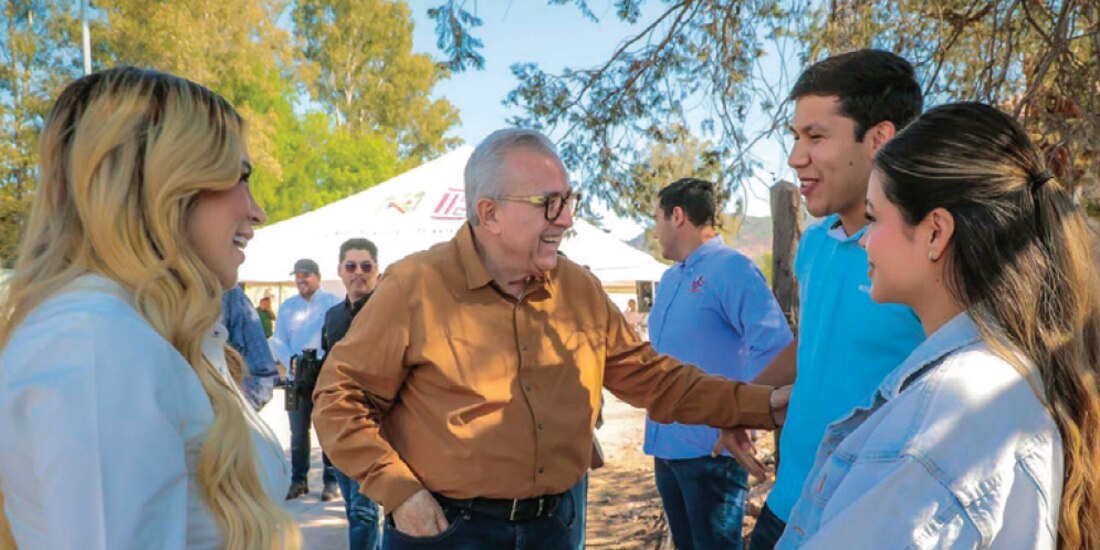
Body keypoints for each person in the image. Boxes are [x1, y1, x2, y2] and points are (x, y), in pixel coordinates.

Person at [312, 128, 791, 550]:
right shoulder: (415, 285)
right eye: (549, 204)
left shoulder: (579, 287)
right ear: (489, 213)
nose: (565, 219)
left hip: (554, 527)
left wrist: (760, 404)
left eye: (569, 201)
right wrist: (398, 491)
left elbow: (653, 379)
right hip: (446, 531)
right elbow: (338, 399)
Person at [777, 101, 1100, 547]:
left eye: (874, 217)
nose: (866, 239)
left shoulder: (948, 413)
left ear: (934, 233)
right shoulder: (998, 376)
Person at [0, 67, 298, 549]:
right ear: (165, 184)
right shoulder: (96, 343)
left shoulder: (132, 330)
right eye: (238, 177)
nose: (256, 210)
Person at [725, 50, 928, 550]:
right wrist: (736, 405)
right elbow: (814, 343)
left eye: (815, 137)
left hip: (864, 521)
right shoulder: (815, 244)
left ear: (880, 139)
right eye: (795, 138)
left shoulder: (932, 257)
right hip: (784, 506)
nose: (796, 157)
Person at [646, 178, 793, 549]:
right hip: (667, 447)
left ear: (677, 216)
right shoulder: (668, 279)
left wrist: (744, 416)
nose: (654, 230)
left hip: (712, 449)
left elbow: (774, 344)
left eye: (657, 219)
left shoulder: (732, 269)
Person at [319, 238, 384, 549]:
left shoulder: (389, 312)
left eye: (366, 266)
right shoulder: (332, 316)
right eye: (351, 266)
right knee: (354, 509)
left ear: (377, 271)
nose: (359, 272)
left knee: (364, 512)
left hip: (374, 426)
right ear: (340, 271)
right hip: (338, 426)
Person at [271, 257, 342, 500]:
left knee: (327, 431)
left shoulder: (333, 303)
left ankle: (330, 482)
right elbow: (278, 338)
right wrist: (290, 358)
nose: (301, 280)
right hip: (296, 377)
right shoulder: (287, 306)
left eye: (306, 275)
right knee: (298, 433)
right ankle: (299, 480)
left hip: (324, 376)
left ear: (317, 276)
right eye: (298, 276)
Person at [224, 285, 279, 411]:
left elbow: (263, 375)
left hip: (265, 338)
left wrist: (231, 418)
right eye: (264, 302)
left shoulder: (231, 296)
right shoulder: (256, 310)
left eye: (267, 302)